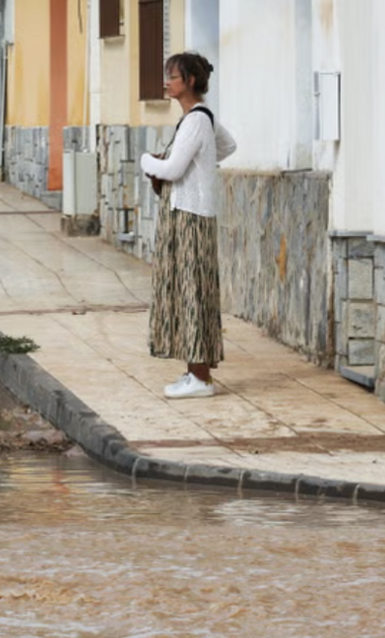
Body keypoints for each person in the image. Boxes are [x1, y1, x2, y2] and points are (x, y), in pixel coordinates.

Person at [139, 52, 236, 399]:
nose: (166, 82)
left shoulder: (195, 120)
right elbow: (227, 145)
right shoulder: (201, 119)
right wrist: (204, 166)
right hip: (191, 213)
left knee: (192, 292)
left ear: (190, 81)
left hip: (190, 217)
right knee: (190, 290)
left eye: (173, 76)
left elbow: (173, 170)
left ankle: (200, 378)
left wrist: (145, 160)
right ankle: (195, 373)